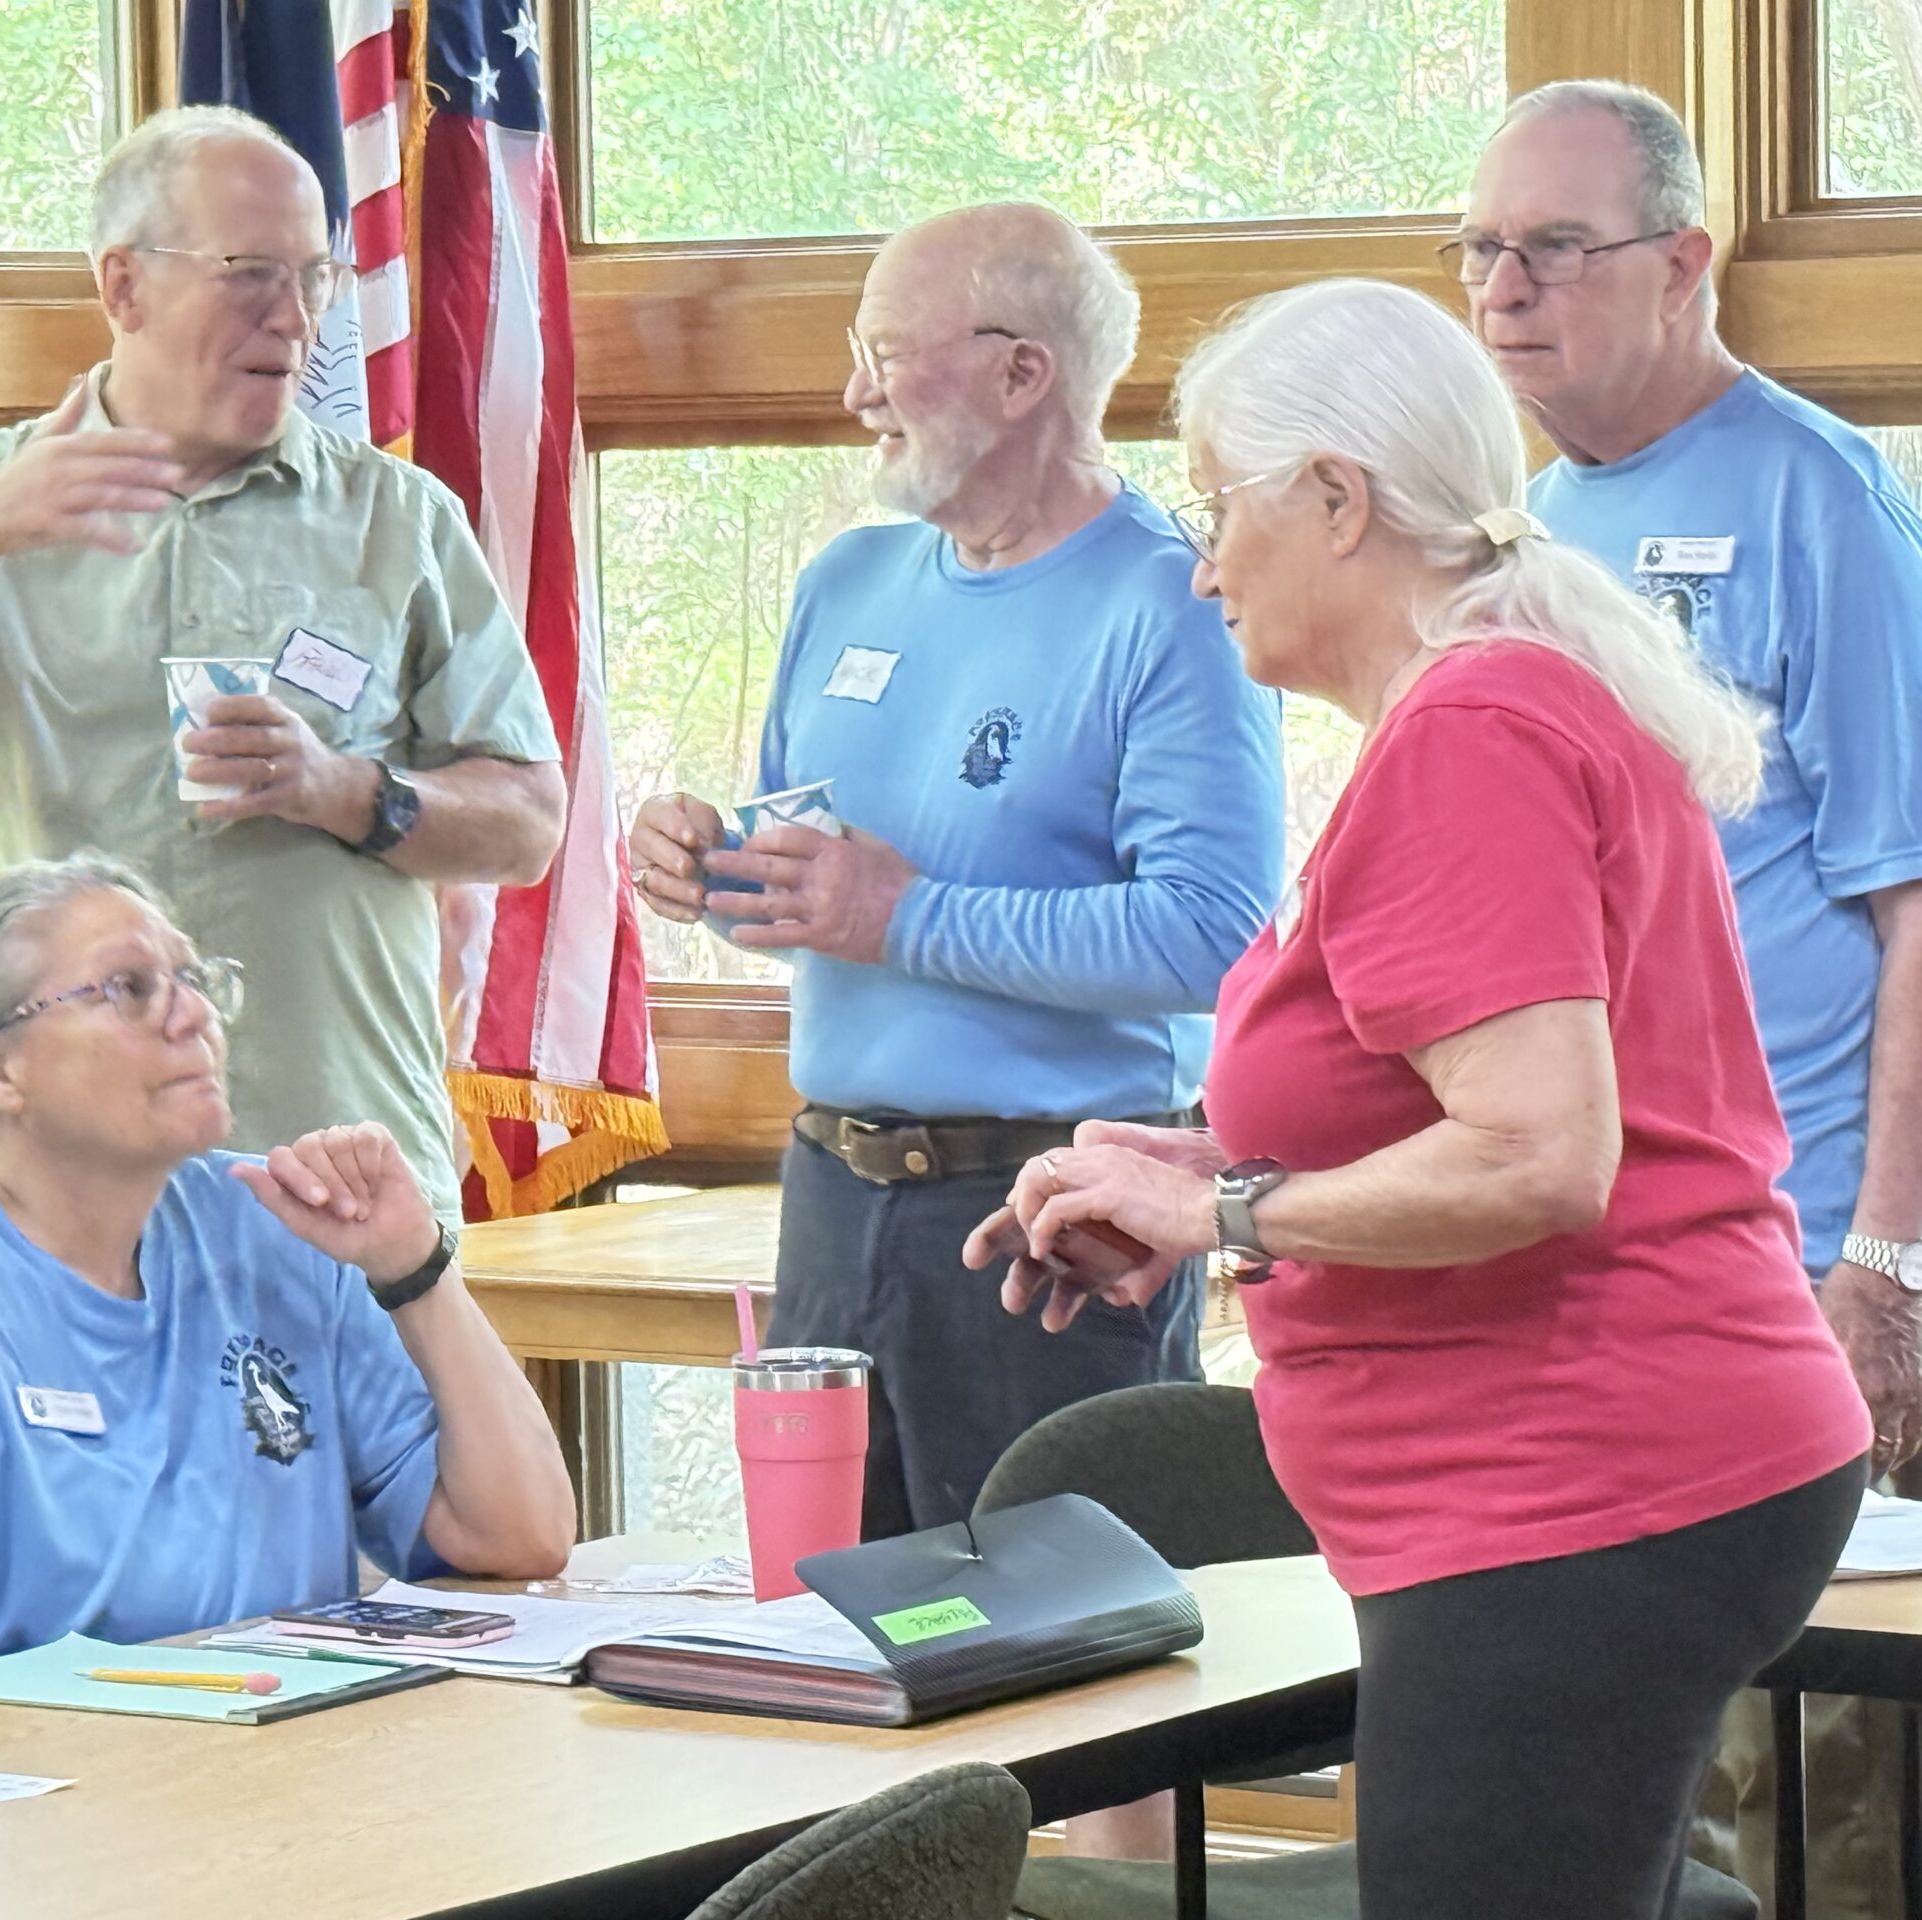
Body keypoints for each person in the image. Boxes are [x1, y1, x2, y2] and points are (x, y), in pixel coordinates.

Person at [968, 277, 1869, 1918]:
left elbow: (1539, 1156)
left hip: (1575, 1484)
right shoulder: (1505, 699)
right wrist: (1202, 1168)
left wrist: (1226, 1209)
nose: (1203, 563)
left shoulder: (1475, 727)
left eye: (1219, 507)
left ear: (1336, 497)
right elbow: (1476, 1100)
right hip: (1590, 1478)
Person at [629, 203, 1282, 1538]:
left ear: (1021, 372)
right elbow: (822, 879)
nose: (854, 393)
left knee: (1053, 1643)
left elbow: (1213, 935)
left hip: (1044, 1227)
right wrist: (710, 865)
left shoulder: (1173, 602)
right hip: (830, 1202)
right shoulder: (849, 579)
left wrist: (903, 915)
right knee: (822, 1622)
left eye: (884, 353)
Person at [0, 106, 567, 1226]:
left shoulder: (399, 520)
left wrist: (343, 791)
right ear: (124, 287)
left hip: (335, 1178)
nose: (294, 318)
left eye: (314, 278)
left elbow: (530, 823)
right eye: (250, 275)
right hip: (56, 1189)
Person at [1465, 80, 1922, 1911]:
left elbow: (1917, 906)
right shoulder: (1526, 526)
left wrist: (1887, 1260)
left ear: (1684, 263)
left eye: (1554, 248)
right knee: (1646, 1816)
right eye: (1481, 249)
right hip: (1602, 1272)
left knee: (1820, 1808)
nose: (1504, 289)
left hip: (1802, 1261)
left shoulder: (1822, 498)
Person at [0, 853, 574, 1724]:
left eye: (194, 980)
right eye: (129, 988)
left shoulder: (277, 1229)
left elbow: (518, 1538)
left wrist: (414, 1270)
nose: (194, 1016)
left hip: (263, 1786)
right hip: (26, 1809)